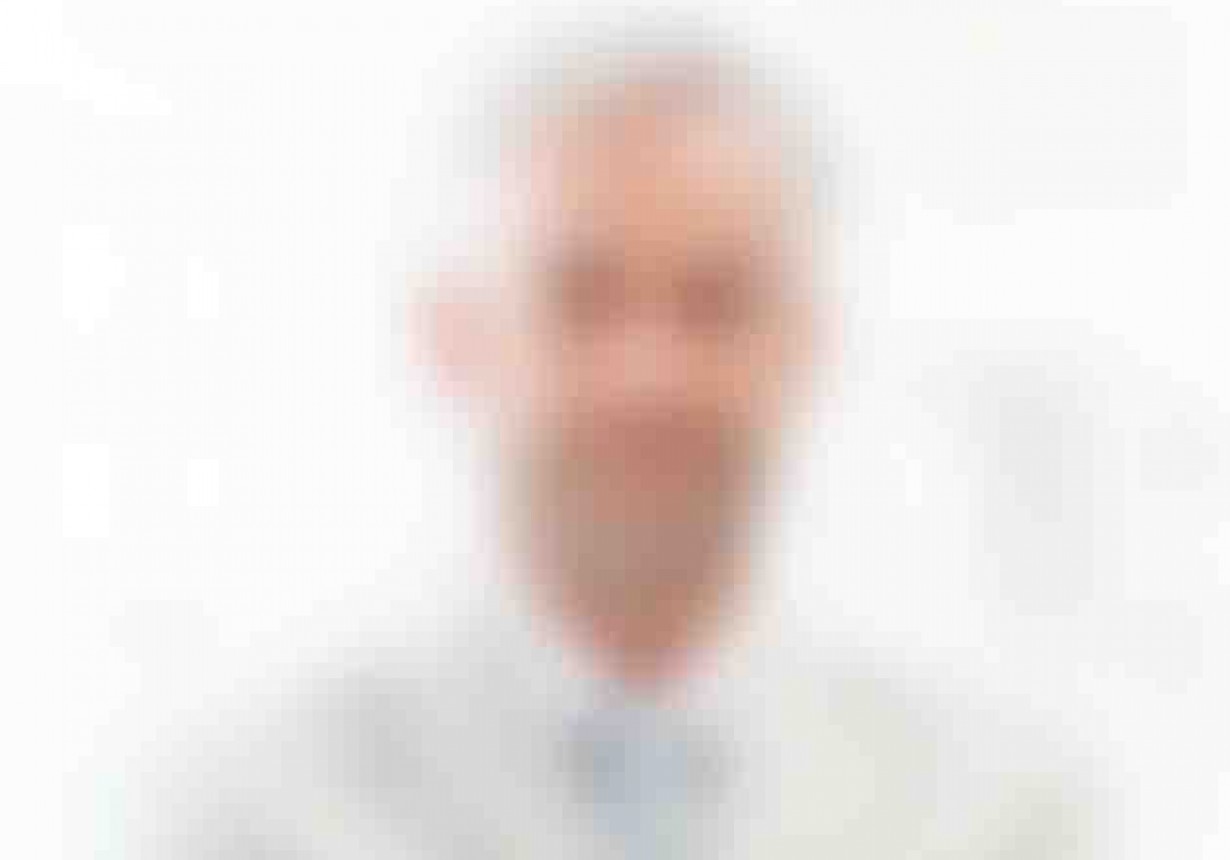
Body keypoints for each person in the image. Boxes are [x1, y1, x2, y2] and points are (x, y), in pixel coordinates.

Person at [142, 25, 1101, 860]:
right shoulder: (259, 814)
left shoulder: (997, 813)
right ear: (454, 335)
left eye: (716, 302)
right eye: (581, 298)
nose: (650, 373)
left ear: (807, 342)